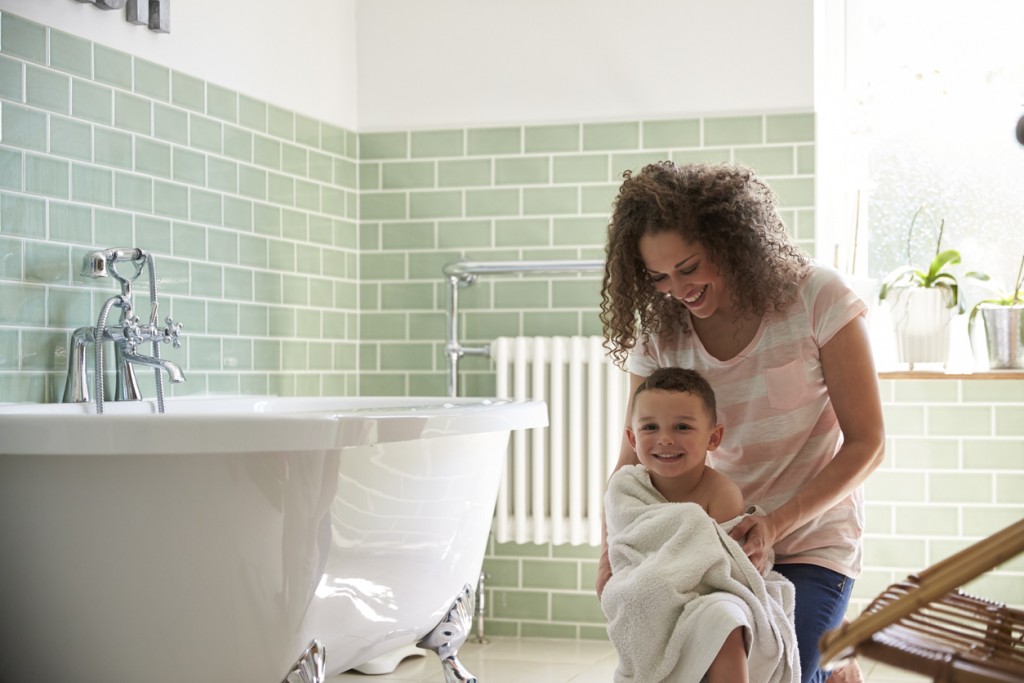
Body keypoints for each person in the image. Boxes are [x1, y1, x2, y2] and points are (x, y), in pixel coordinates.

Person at [598, 161, 885, 683]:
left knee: (785, 669)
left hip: (813, 540)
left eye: (689, 267)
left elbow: (868, 443)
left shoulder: (817, 298)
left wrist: (776, 523)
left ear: (731, 242)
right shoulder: (662, 329)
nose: (678, 289)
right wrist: (609, 552)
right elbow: (630, 458)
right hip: (713, 544)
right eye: (658, 277)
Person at [603, 366, 799, 683]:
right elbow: (627, 549)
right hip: (653, 590)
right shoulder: (626, 488)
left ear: (714, 437)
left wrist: (689, 538)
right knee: (642, 592)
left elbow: (727, 563)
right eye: (650, 427)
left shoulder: (721, 492)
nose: (665, 439)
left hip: (710, 595)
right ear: (632, 437)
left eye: (682, 427)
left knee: (726, 619)